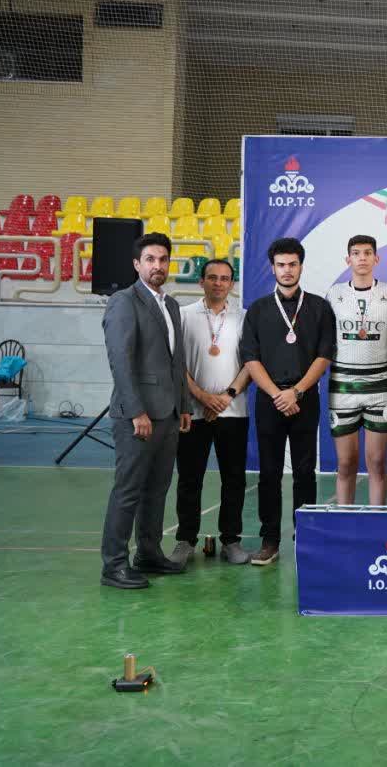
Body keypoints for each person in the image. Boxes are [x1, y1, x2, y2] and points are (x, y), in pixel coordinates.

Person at [99, 233, 190, 589]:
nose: (157, 265)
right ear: (137, 264)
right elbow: (120, 361)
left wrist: (183, 406)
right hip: (137, 416)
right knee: (129, 490)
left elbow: (176, 362)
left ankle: (149, 553)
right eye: (150, 259)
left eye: (163, 259)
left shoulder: (171, 306)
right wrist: (136, 411)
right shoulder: (123, 302)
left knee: (157, 489)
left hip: (168, 414)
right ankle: (114, 565)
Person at [239, 237, 335, 567]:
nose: (287, 270)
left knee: (305, 472)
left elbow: (324, 355)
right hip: (269, 400)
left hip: (305, 399)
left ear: (301, 266)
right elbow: (251, 359)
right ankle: (270, 540)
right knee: (268, 473)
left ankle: (305, 535)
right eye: (281, 265)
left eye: (293, 264)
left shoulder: (319, 307)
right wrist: (278, 395)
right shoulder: (258, 310)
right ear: (272, 268)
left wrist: (296, 392)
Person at [172, 258, 252, 566]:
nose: (218, 283)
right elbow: (176, 363)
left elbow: (251, 364)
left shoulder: (243, 317)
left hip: (233, 411)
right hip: (192, 412)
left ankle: (231, 540)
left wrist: (224, 398)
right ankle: (185, 541)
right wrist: (202, 397)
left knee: (234, 479)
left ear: (232, 284)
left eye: (224, 278)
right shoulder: (183, 315)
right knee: (189, 479)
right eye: (212, 277)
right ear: (201, 281)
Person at [326, 235, 387, 506]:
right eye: (356, 253)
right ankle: (346, 521)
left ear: (376, 259)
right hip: (342, 388)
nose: (362, 258)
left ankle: (375, 522)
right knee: (346, 463)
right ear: (348, 259)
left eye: (368, 253)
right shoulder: (334, 294)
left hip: (379, 388)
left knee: (377, 462)